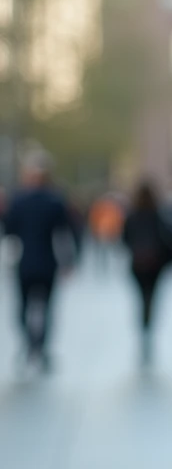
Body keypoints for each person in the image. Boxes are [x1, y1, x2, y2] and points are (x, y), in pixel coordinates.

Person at [1, 151, 80, 373]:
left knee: (24, 307)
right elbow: (66, 233)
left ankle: (30, 344)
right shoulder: (55, 201)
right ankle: (39, 346)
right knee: (45, 307)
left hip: (25, 262)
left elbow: (9, 230)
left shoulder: (19, 200)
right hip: (47, 262)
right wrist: (69, 261)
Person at [121, 181, 172, 366]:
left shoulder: (132, 217)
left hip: (138, 266)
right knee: (151, 298)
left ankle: (144, 329)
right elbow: (170, 239)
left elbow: (125, 239)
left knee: (142, 299)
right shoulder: (158, 216)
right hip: (154, 267)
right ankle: (147, 329)